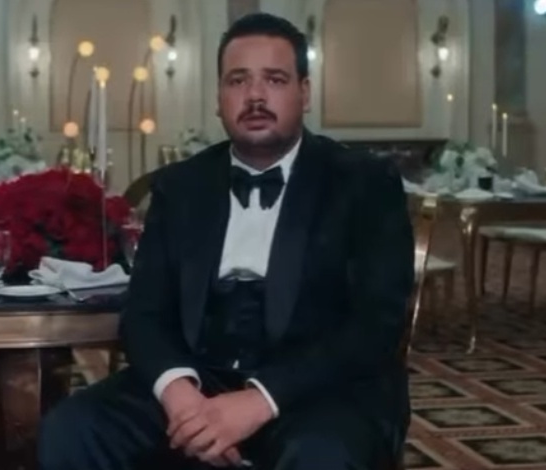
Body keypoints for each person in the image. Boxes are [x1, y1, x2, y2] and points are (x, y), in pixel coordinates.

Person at [38, 13, 413, 470]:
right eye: (238, 80)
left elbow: (375, 324)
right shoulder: (181, 185)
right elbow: (144, 312)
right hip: (198, 380)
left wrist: (259, 400)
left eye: (274, 79)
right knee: (73, 427)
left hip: (318, 391)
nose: (255, 96)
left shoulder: (365, 183)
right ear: (219, 98)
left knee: (321, 455)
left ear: (305, 93)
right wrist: (180, 395)